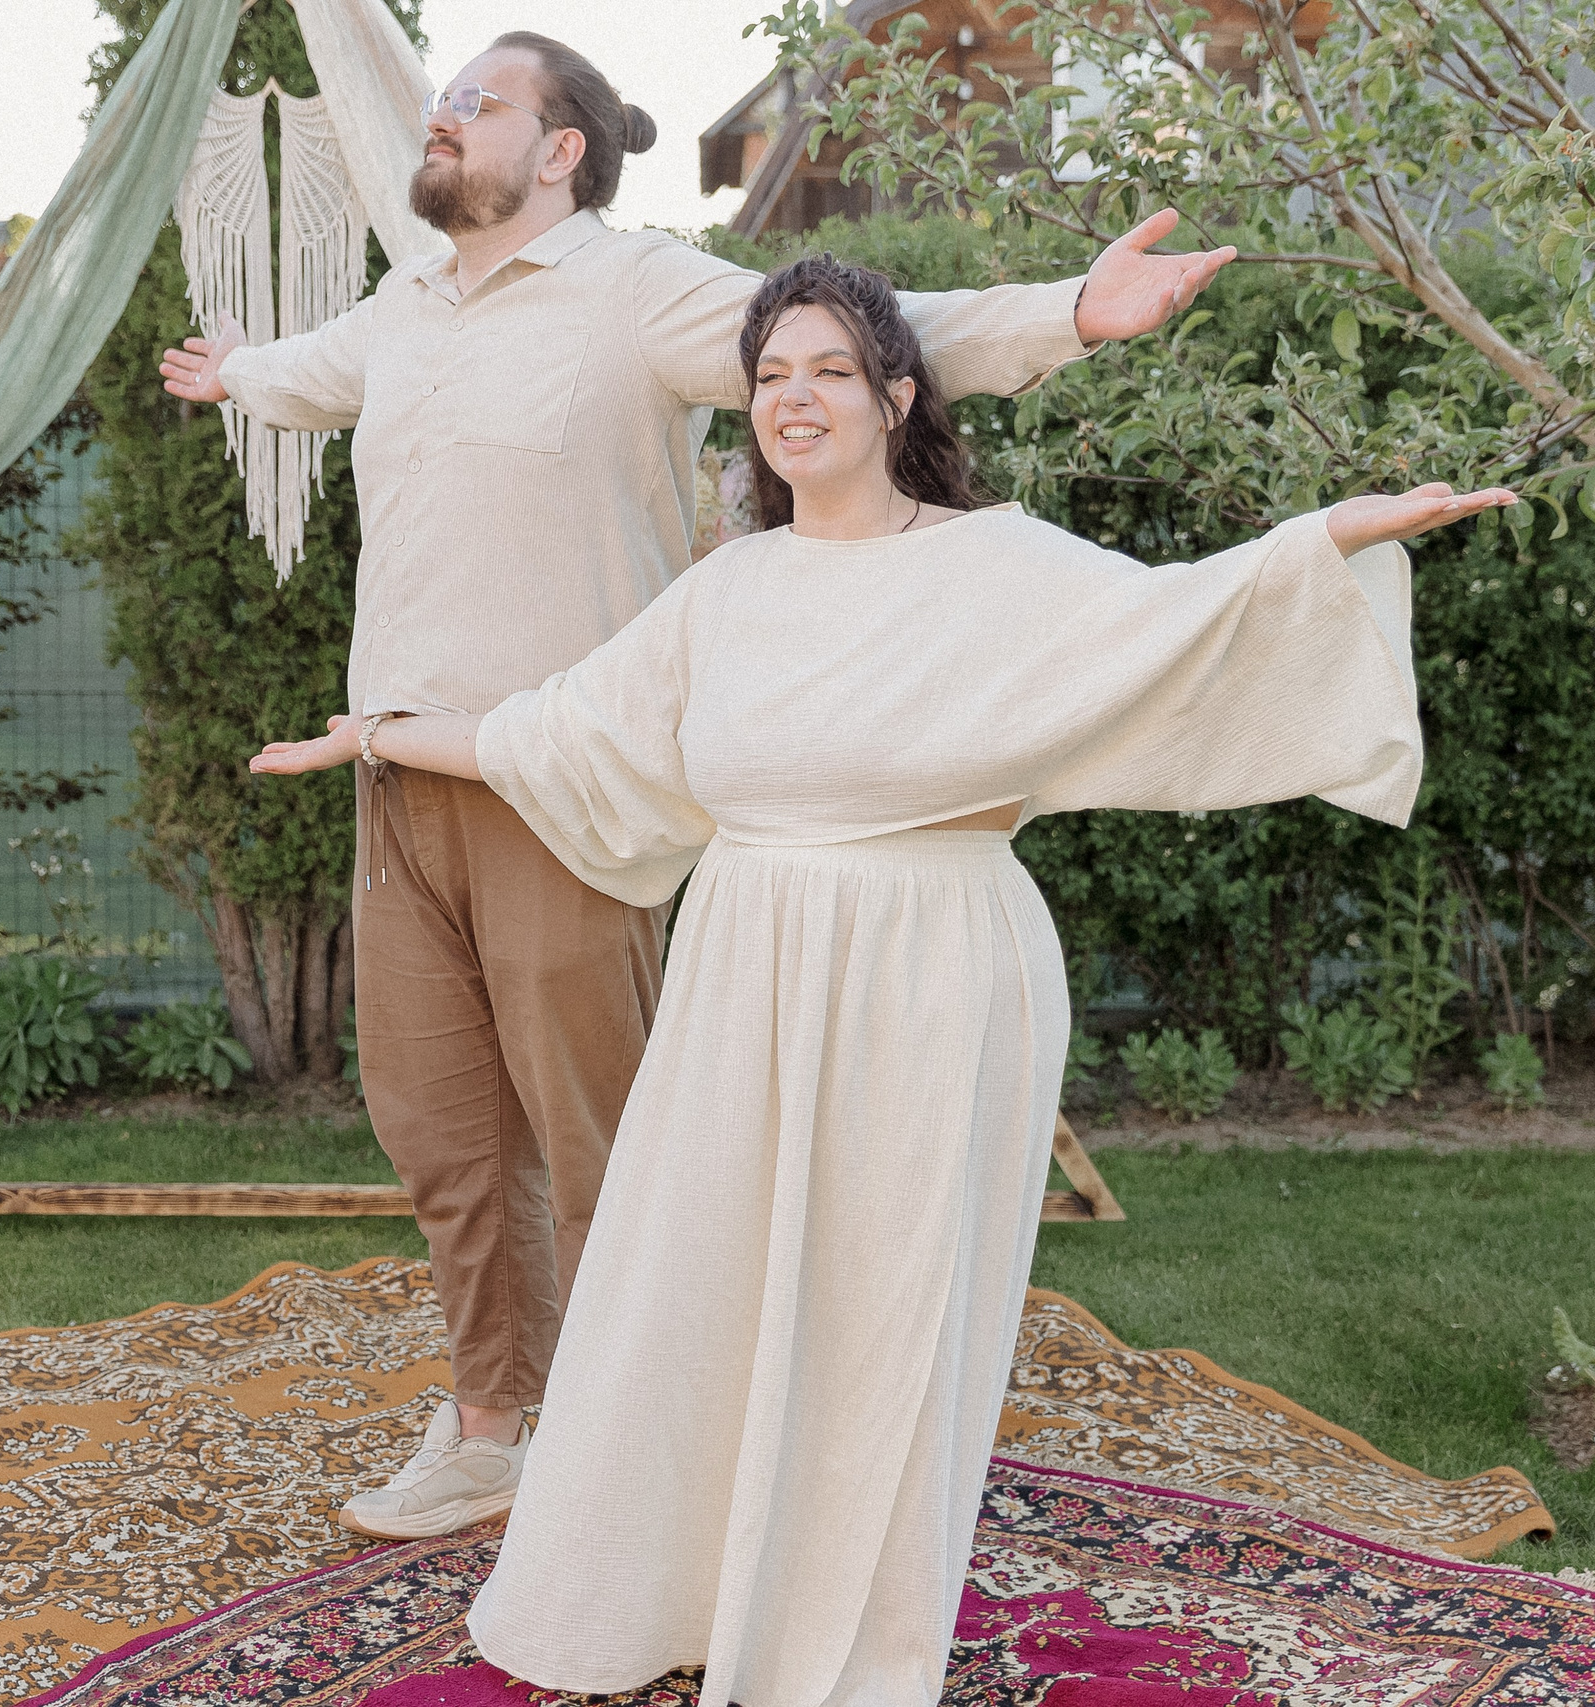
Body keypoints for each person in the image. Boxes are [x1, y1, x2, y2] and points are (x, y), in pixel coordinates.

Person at [249, 253, 1513, 1705]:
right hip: (743, 974)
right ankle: (677, 1588)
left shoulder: (998, 565)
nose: (795, 399)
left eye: (829, 371)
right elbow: (561, 734)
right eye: (770, 376)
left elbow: (1183, 621)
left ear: (897, 396)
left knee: (879, 1313)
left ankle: (839, 1634)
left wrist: (1336, 535)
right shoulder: (728, 591)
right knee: (699, 1285)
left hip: (930, 970)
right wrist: (378, 735)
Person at [163, 30, 1238, 1538]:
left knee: (604, 1140)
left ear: (561, 151)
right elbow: (307, 377)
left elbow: (866, 334)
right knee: (441, 1136)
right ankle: (491, 1430)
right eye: (442, 97)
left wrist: (1069, 312)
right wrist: (235, 374)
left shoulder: (637, 292)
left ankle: (642, 1457)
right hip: (396, 783)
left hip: (568, 790)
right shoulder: (405, 305)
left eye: (476, 101)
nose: (440, 115)